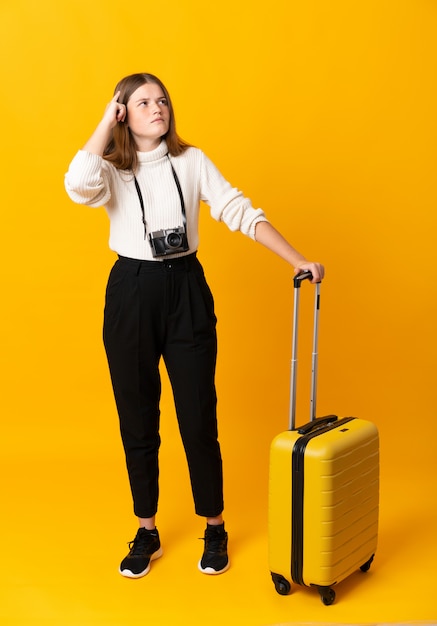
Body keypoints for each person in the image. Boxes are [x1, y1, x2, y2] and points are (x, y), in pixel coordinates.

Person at [64, 72, 324, 580]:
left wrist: (298, 258)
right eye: (141, 102)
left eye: (161, 100)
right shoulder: (112, 169)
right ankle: (147, 529)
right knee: (137, 417)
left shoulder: (191, 161)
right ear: (122, 112)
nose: (156, 108)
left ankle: (215, 524)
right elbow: (77, 184)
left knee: (198, 415)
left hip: (186, 288)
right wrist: (103, 121)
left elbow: (240, 211)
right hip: (131, 291)